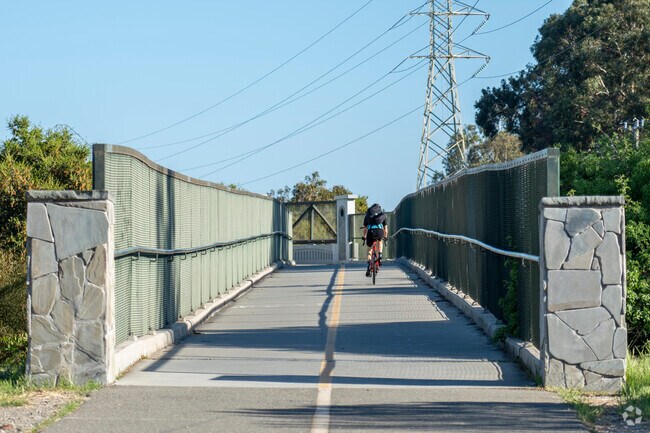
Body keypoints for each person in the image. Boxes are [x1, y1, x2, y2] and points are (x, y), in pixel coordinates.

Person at [362, 203, 388, 277]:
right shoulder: (382, 215)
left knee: (369, 249)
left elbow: (364, 229)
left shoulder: (367, 216)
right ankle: (379, 254)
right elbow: (385, 229)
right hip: (379, 231)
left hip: (371, 232)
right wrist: (385, 237)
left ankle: (369, 265)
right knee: (380, 241)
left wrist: (364, 237)